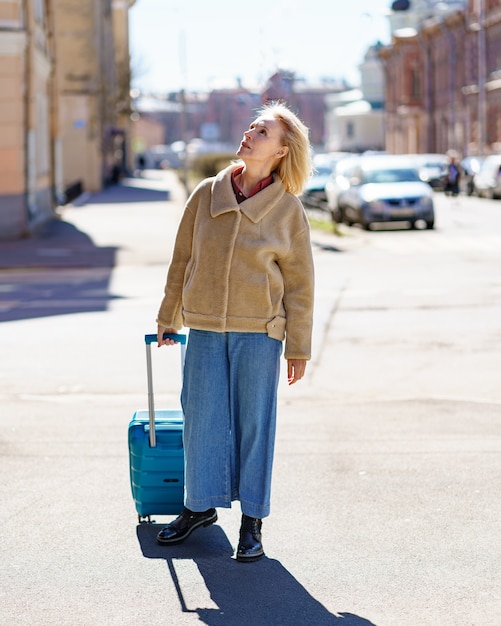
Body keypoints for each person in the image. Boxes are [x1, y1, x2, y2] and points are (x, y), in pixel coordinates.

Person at [155, 102, 315, 562]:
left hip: (260, 333)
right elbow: (181, 259)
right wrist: (170, 315)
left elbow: (301, 285)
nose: (249, 133)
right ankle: (198, 506)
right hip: (203, 326)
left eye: (262, 131)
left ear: (283, 149)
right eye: (251, 126)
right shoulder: (206, 194)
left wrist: (298, 347)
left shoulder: (287, 210)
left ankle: (253, 521)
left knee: (254, 426)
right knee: (201, 419)